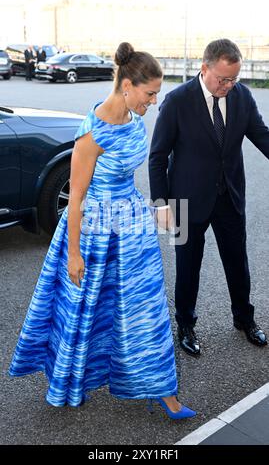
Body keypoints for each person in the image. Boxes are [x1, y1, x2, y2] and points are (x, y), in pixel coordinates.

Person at [9, 42, 196, 420]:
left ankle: (162, 389)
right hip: (94, 230)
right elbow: (74, 200)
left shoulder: (132, 119)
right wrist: (74, 254)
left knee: (144, 307)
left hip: (131, 226)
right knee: (87, 310)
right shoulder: (91, 134)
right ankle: (71, 380)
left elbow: (127, 177)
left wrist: (152, 210)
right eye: (150, 93)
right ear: (127, 85)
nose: (154, 102)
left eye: (157, 94)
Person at [149, 38, 269, 356]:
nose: (228, 85)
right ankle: (186, 325)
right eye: (223, 79)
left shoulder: (242, 97)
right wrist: (160, 203)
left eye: (234, 79)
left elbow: (261, 135)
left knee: (237, 262)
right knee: (188, 266)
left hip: (229, 195)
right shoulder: (177, 101)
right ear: (205, 69)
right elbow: (158, 156)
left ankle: (244, 318)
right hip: (185, 201)